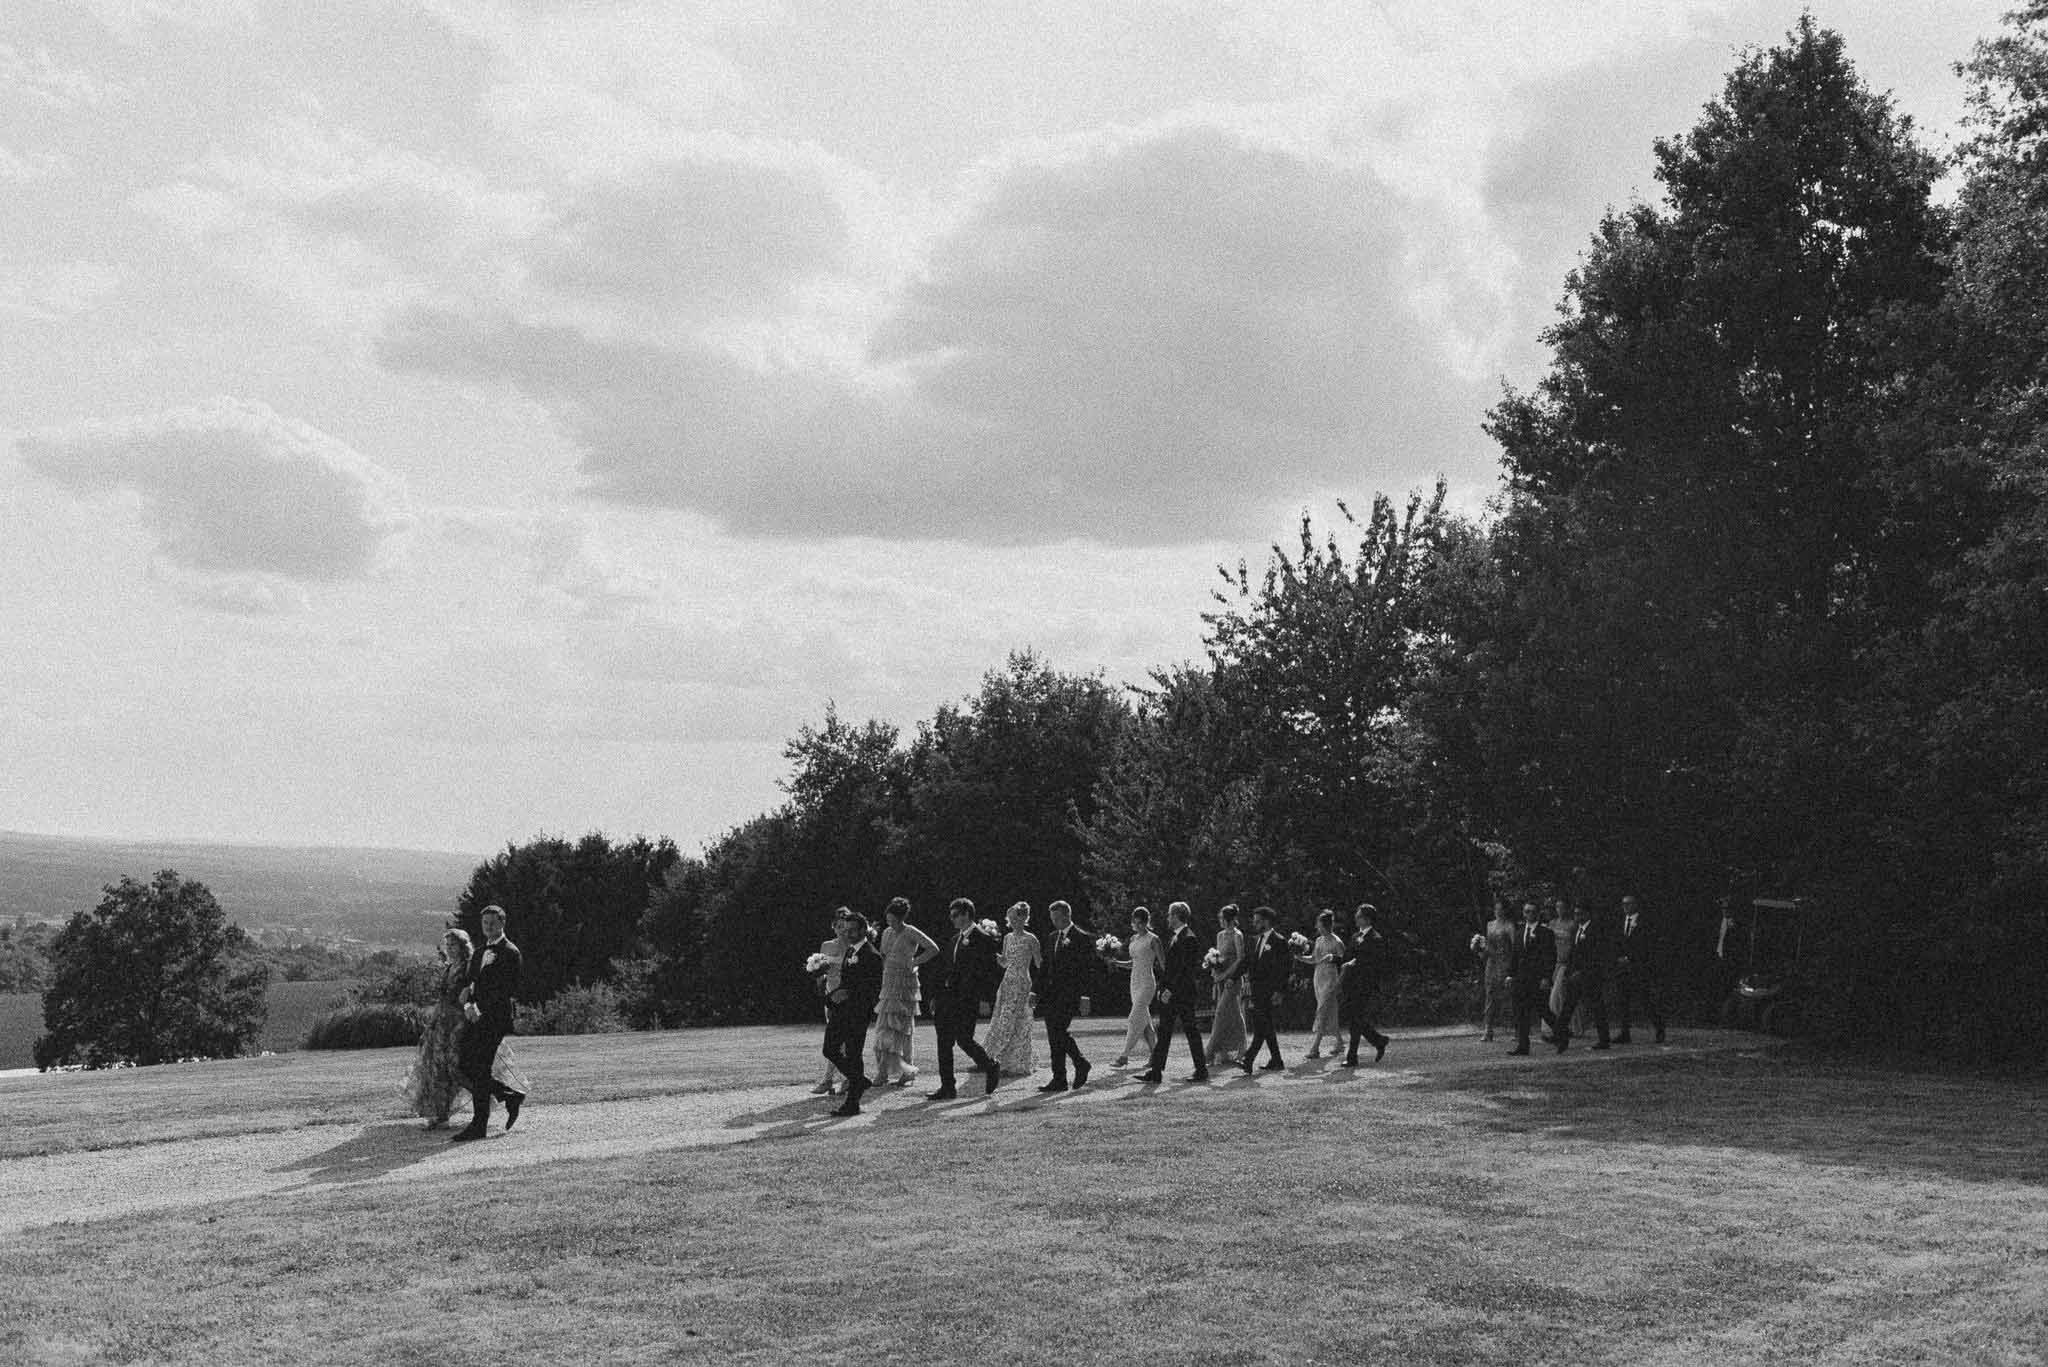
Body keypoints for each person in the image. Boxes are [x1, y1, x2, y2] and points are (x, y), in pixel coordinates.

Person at [451, 904, 527, 1141]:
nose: (489, 927)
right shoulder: (480, 951)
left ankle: (479, 1125)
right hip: (476, 1017)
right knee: (464, 1065)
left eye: (493, 922)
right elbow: (472, 985)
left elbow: (505, 991)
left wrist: (479, 1008)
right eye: (485, 923)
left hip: (495, 1019)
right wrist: (467, 1004)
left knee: (480, 1068)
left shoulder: (511, 953)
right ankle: (509, 1095)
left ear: (502, 923)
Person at [926, 899, 1001, 1100]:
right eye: (951, 915)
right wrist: (935, 996)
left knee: (964, 1039)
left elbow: (988, 973)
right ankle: (947, 1087)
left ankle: (990, 1065)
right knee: (944, 1042)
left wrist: (985, 998)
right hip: (946, 999)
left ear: (966, 914)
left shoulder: (983, 939)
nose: (952, 919)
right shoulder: (954, 940)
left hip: (967, 999)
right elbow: (944, 970)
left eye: (955, 915)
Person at [400, 927, 473, 1129]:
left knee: (455, 1068)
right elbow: (442, 999)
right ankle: (440, 1115)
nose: (449, 949)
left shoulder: (468, 968)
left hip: (459, 1023)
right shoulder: (449, 968)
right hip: (442, 1024)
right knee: (436, 1069)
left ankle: (484, 1096)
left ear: (462, 947)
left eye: (453, 945)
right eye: (447, 945)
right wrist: (431, 1024)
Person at [821, 910, 884, 1115]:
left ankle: (852, 1103)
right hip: (842, 1011)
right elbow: (846, 983)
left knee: (854, 1054)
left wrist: (849, 995)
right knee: (830, 1049)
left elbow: (873, 988)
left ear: (863, 930)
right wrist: (831, 997)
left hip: (857, 1014)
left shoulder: (871, 955)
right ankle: (859, 1080)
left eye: (852, 930)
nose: (847, 934)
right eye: (845, 930)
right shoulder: (850, 952)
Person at [1138, 902, 1209, 1083]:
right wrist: (1162, 988)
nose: (1168, 918)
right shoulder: (1176, 937)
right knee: (1164, 1032)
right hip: (1171, 993)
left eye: (1170, 915)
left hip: (1183, 994)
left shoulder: (1189, 938)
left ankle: (1201, 1071)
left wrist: (1170, 990)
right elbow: (1170, 969)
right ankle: (1156, 1071)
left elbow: (1185, 970)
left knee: (1191, 1030)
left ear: (1177, 916)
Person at [873, 897, 939, 1085]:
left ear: (902, 918)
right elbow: (883, 956)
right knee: (883, 1028)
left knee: (902, 1029)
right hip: (888, 983)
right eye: (889, 920)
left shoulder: (911, 932)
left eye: (894, 920)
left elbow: (933, 948)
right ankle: (883, 1071)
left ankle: (906, 1070)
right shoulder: (886, 932)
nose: (891, 923)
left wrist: (915, 962)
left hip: (905, 985)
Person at [1036, 899, 1094, 1092]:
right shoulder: (1052, 937)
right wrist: (1035, 990)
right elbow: (1045, 967)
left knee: (1059, 1031)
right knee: (1054, 1037)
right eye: (1052, 918)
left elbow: (1087, 970)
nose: (1054, 922)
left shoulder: (1082, 937)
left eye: (1057, 918)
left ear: (1067, 916)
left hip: (1070, 994)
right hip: (1051, 995)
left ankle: (1081, 1063)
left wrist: (1085, 995)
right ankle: (1059, 1078)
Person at [982, 901, 1041, 1078]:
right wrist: (991, 952)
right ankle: (996, 1060)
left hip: (1023, 983)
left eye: (1016, 918)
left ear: (1024, 918)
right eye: (1011, 919)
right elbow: (1005, 962)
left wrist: (1040, 987)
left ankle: (1016, 1062)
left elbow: (1039, 964)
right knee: (1002, 1019)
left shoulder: (1031, 939)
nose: (1013, 922)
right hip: (1007, 982)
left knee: (1018, 1021)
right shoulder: (1007, 938)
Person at [1234, 905, 1291, 1072]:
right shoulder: (1255, 940)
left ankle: (1249, 1059)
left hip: (1270, 990)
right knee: (1264, 1026)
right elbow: (1247, 962)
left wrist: (1280, 991)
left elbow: (1285, 968)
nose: (1255, 923)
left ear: (1266, 922)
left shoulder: (1279, 941)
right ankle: (1275, 1060)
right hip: (1257, 990)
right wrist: (1233, 977)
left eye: (1258, 921)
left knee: (1263, 1025)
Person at [1558, 898, 1616, 1051]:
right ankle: (1561, 1037)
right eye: (1576, 913)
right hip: (1576, 975)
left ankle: (1604, 1039)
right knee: (1568, 1006)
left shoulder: (1595, 930)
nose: (1577, 916)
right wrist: (1569, 971)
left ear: (1588, 914)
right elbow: (1574, 953)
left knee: (1597, 1007)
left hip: (1591, 975)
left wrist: (1583, 972)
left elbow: (1596, 955)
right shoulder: (1578, 929)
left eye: (1580, 913)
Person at [1105, 907, 1160, 1068]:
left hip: (1147, 983)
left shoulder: (1154, 939)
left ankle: (1124, 1056)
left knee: (1134, 1018)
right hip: (1134, 983)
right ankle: (1156, 1056)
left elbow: (1163, 963)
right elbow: (1133, 963)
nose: (1137, 925)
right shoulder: (1134, 939)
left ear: (1146, 922)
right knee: (1145, 1023)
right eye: (1135, 922)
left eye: (1140, 922)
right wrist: (1117, 963)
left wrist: (1169, 984)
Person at [1340, 903, 1393, 1065]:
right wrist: (1335, 959)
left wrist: (1355, 963)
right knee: (1354, 1018)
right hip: (1351, 983)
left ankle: (1352, 1056)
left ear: (1367, 919)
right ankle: (1378, 1040)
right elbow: (1347, 957)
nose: (1356, 918)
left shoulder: (1376, 939)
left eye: (1359, 915)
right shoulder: (1355, 936)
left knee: (1355, 1019)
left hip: (1364, 985)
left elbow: (1374, 964)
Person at [1612, 893, 1667, 1044]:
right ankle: (1625, 1032)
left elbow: (1646, 945)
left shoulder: (1645, 922)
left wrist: (1631, 958)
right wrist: (1618, 957)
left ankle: (1659, 1027)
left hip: (1638, 967)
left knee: (1645, 999)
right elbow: (1616, 941)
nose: (1625, 907)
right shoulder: (1620, 921)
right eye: (1623, 904)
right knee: (1623, 1000)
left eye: (1628, 904)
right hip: (1622, 967)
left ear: (1635, 905)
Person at [1506, 900, 1558, 1056]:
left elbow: (1550, 957)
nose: (1529, 914)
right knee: (1521, 1012)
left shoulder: (1545, 933)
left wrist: (1546, 977)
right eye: (1526, 911)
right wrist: (1510, 974)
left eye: (1532, 911)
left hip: (1537, 978)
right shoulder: (1519, 932)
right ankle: (1523, 1045)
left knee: (1543, 1010)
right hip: (1521, 979)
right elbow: (1515, 956)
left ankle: (1561, 1033)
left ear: (1537, 913)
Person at [810, 914, 854, 1095]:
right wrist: (819, 980)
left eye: (845, 927)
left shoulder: (853, 946)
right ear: (833, 927)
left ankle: (838, 1079)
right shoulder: (827, 945)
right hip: (830, 996)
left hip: (847, 997)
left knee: (842, 1040)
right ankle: (838, 1079)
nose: (842, 930)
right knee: (834, 1040)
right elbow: (821, 970)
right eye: (839, 926)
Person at [1297, 909, 1345, 1059]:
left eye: (1319, 925)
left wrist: (1339, 981)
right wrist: (1300, 957)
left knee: (1322, 1011)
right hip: (1318, 977)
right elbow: (1314, 959)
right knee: (1328, 1010)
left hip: (1331, 978)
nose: (1317, 927)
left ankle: (1315, 1048)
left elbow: (1344, 960)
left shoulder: (1337, 942)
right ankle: (1340, 1042)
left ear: (1325, 925)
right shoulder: (1318, 941)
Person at [1205, 903, 1248, 1069]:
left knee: (1221, 1012)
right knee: (1234, 1014)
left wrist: (1226, 974)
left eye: (1222, 918)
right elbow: (1219, 956)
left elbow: (1240, 959)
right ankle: (1231, 1051)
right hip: (1221, 979)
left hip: (1234, 979)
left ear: (1229, 919)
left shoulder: (1237, 935)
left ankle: (1209, 1052)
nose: (1220, 921)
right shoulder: (1220, 935)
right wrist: (1214, 967)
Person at [1476, 898, 1516, 1042]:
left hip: (1505, 963)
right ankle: (1488, 1029)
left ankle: (1517, 1028)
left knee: (1509, 995)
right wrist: (1480, 949)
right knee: (1490, 994)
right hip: (1491, 963)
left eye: (1500, 909)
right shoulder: (1490, 925)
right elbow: (1488, 946)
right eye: (1496, 909)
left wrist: (1512, 966)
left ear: (1505, 910)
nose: (1498, 912)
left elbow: (1514, 947)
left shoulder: (1510, 926)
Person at [1546, 897, 1578, 1035]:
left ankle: (1567, 1026)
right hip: (1555, 961)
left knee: (1560, 994)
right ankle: (1558, 1024)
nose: (1560, 910)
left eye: (1562, 907)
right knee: (1556, 993)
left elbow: (1575, 944)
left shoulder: (1572, 924)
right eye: (1557, 907)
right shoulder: (1552, 923)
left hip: (1566, 962)